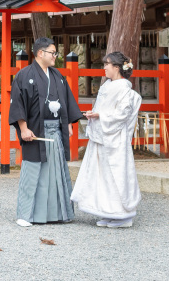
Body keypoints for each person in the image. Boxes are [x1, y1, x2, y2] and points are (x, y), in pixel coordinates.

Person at [9, 37, 84, 227]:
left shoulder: (57, 76)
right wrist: (24, 128)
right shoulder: (24, 75)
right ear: (40, 53)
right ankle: (25, 215)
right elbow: (18, 104)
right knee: (33, 173)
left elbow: (66, 101)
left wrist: (67, 125)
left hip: (55, 132)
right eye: (53, 53)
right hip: (35, 132)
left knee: (55, 173)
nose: (55, 57)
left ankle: (57, 213)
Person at [71, 51, 142, 228]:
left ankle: (123, 215)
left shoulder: (124, 88)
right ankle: (108, 211)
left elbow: (123, 114)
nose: (104, 68)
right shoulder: (107, 86)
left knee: (115, 174)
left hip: (115, 137)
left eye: (107, 64)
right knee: (102, 174)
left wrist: (100, 115)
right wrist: (95, 114)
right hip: (103, 134)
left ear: (117, 68)